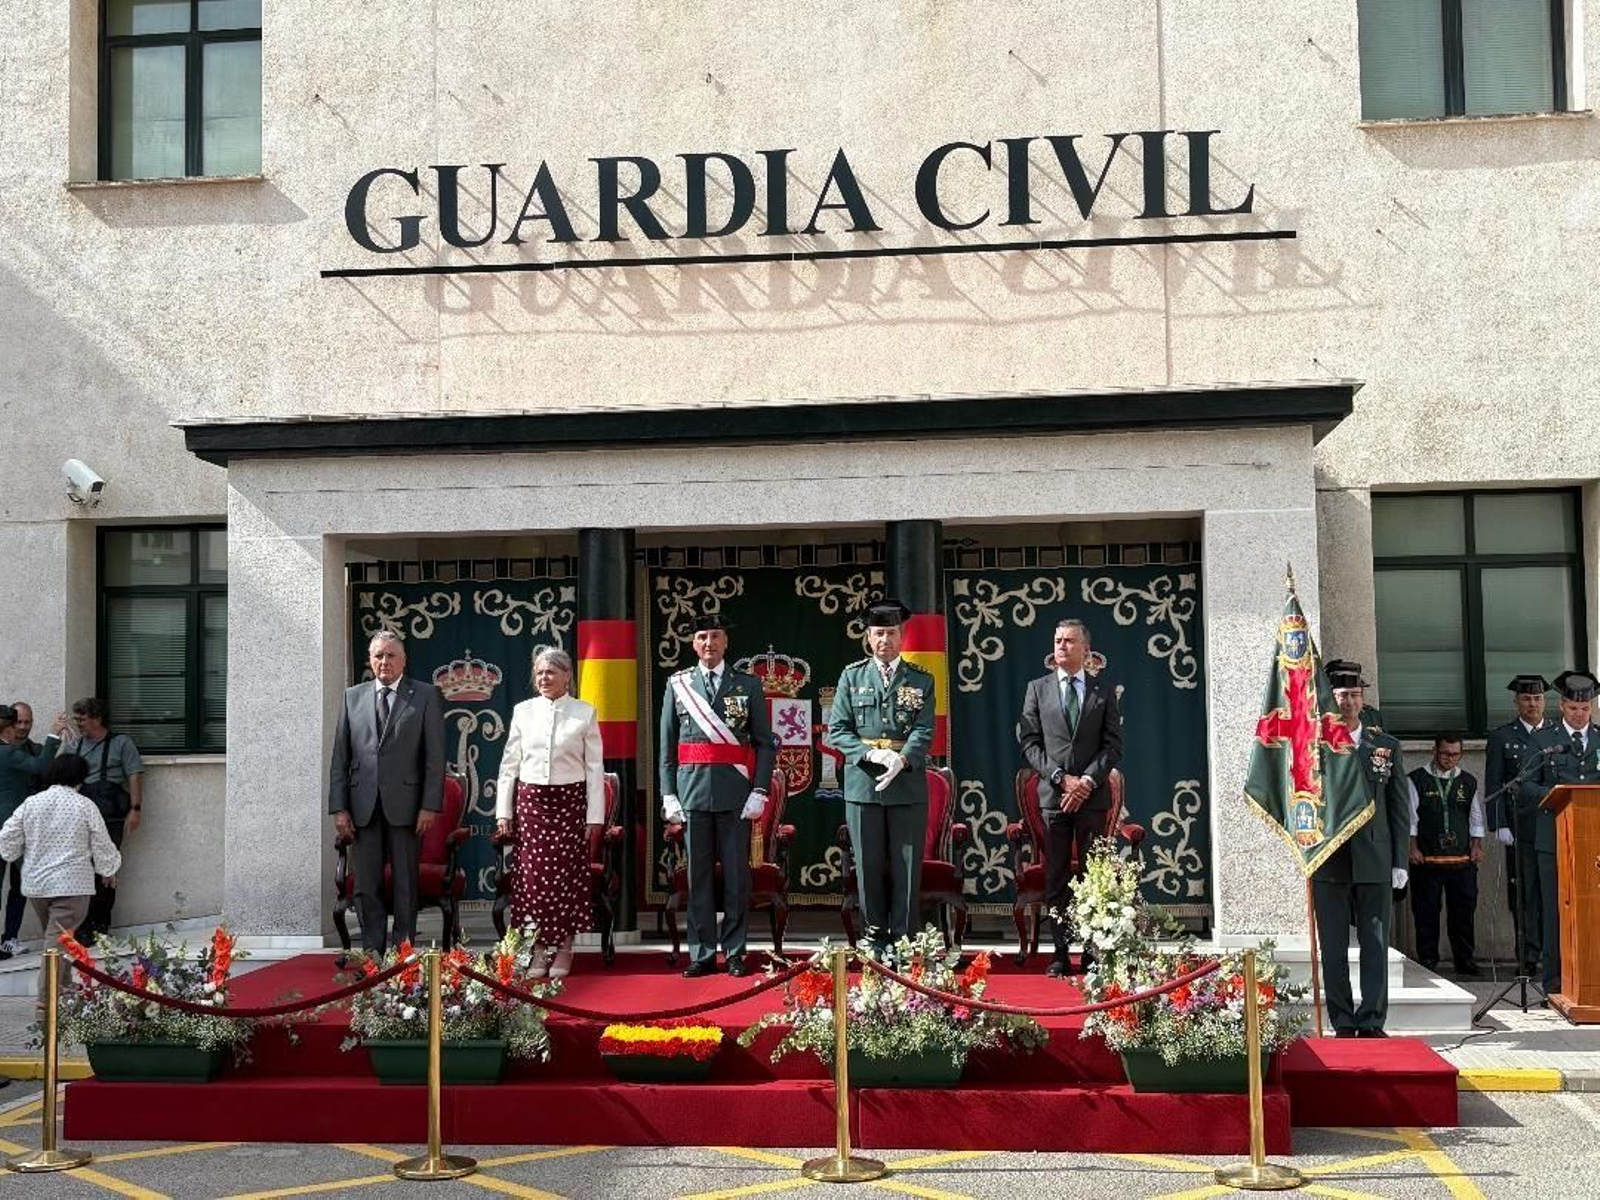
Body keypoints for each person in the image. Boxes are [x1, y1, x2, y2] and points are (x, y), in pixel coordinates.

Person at [659, 613, 776, 978]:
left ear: (725, 642)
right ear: (694, 644)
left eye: (715, 637)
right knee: (699, 879)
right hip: (692, 793)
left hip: (736, 795)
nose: (708, 643)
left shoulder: (748, 685)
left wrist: (759, 789)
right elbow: (667, 747)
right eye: (702, 637)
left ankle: (736, 951)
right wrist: (669, 794)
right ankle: (703, 952)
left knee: (738, 879)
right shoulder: (678, 685)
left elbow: (765, 744)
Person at [827, 600, 937, 960]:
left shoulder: (921, 678)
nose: (885, 640)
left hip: (906, 785)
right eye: (878, 633)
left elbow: (924, 729)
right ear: (868, 637)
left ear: (902, 636)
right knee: (869, 866)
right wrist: (872, 754)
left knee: (906, 868)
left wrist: (902, 758)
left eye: (891, 633)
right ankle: (874, 938)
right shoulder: (852, 676)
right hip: (864, 784)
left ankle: (904, 940)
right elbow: (837, 731)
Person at [1017, 618, 1124, 978]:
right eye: (1058, 640)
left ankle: (1093, 952)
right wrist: (1062, 779)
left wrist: (1087, 782)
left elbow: (1112, 747)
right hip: (1054, 798)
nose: (1061, 646)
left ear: (1085, 649)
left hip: (1091, 800)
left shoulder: (1102, 691)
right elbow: (1030, 744)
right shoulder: (1037, 689)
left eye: (1069, 641)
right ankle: (1060, 952)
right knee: (1056, 876)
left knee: (1094, 876)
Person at [328, 630, 445, 957]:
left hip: (407, 809)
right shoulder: (352, 697)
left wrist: (429, 806)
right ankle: (372, 954)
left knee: (406, 886)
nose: (384, 661)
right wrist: (339, 807)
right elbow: (341, 757)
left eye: (391, 655)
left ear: (404, 660)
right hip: (363, 808)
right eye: (378, 655)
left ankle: (402, 952)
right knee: (366, 887)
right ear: (369, 659)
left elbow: (434, 758)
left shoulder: (424, 695)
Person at [1312, 660, 1410, 1037]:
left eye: (1355, 695)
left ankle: (1372, 1020)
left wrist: (1400, 859)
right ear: (1331, 700)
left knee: (1375, 944)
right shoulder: (1317, 747)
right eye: (1342, 696)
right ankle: (1342, 1020)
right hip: (1330, 858)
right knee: (1333, 948)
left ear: (1363, 699)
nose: (1349, 702)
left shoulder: (1384, 746)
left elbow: (1400, 808)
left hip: (1375, 856)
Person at [495, 647, 604, 980]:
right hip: (531, 804)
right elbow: (508, 765)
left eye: (551, 672)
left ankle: (565, 947)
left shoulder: (584, 712)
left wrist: (594, 816)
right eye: (540, 672)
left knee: (565, 878)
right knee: (532, 879)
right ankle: (539, 950)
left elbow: (594, 767)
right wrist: (504, 811)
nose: (544, 678)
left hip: (570, 803)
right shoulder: (523, 711)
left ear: (567, 675)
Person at [0, 754, 121, 1006]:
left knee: (60, 939)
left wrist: (15, 855)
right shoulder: (84, 805)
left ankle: (64, 990)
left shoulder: (31, 803)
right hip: (72, 884)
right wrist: (108, 869)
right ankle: (47, 999)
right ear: (80, 777)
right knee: (58, 942)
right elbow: (101, 840)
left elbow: (8, 836)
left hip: (37, 886)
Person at [1523, 670, 1600, 999]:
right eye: (1573, 709)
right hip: (1554, 837)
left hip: (1594, 839)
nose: (1579, 715)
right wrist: (1556, 796)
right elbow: (1525, 785)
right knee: (1556, 909)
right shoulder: (1543, 740)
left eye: (1585, 710)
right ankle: (1555, 981)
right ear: (1562, 707)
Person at [1485, 675, 1551, 975]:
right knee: (1524, 894)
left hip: (1554, 825)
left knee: (1553, 893)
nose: (1532, 704)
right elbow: (1495, 781)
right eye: (1526, 699)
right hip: (1520, 828)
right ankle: (1528, 956)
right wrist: (1499, 824)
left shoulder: (1557, 734)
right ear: (1517, 702)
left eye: (1537, 699)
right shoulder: (1502, 737)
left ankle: (1555, 954)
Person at [63, 698, 140, 947]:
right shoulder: (75, 746)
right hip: (80, 813)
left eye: (82, 719)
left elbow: (134, 775)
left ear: (96, 718)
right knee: (81, 868)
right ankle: (83, 926)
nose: (79, 724)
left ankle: (101, 924)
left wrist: (136, 809)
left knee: (106, 869)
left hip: (111, 813)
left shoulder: (121, 743)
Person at [1407, 734, 1483, 976]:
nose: (1450, 759)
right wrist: (1412, 848)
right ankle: (1428, 959)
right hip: (1427, 860)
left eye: (1455, 754)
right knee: (1426, 912)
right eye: (1445, 754)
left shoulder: (1468, 781)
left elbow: (1475, 817)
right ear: (1435, 751)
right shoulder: (1417, 779)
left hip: (1461, 861)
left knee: (1463, 912)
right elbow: (1411, 819)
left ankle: (1464, 960)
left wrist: (1477, 845)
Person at [0, 705, 67, 959]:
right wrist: (54, 735)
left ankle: (10, 939)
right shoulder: (8, 752)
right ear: (8, 727)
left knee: (21, 885)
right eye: (17, 723)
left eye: (27, 722)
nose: (22, 727)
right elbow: (40, 767)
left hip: (26, 829)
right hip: (11, 828)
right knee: (30, 880)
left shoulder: (31, 749)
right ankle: (53, 938)